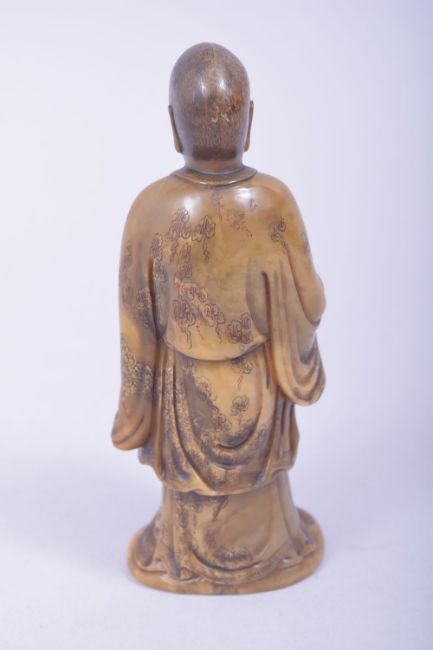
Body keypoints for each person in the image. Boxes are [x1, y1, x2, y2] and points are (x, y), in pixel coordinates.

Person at [112, 42, 326, 594]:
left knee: (190, 492)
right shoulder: (273, 203)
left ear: (173, 127)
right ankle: (272, 549)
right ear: (248, 121)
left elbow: (137, 328)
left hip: (186, 396)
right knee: (261, 480)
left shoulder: (150, 211)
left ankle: (185, 556)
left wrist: (136, 408)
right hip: (257, 389)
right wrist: (290, 340)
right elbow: (310, 303)